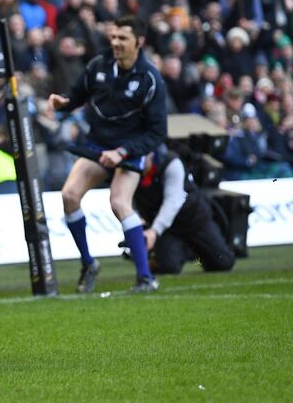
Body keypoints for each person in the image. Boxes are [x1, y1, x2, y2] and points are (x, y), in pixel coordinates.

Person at [48, 15, 168, 293]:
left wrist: (123, 152)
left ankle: (145, 278)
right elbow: (78, 95)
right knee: (69, 196)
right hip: (98, 144)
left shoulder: (151, 79)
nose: (115, 42)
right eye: (113, 37)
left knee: (119, 202)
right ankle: (89, 263)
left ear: (139, 42)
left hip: (129, 149)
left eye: (122, 38)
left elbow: (157, 133)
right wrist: (63, 102)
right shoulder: (98, 65)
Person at [133, 147, 235, 275]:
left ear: (151, 155)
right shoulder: (132, 170)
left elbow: (172, 202)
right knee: (168, 268)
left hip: (194, 219)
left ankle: (194, 253)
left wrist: (154, 231)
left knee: (223, 263)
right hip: (169, 229)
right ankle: (159, 257)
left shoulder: (171, 163)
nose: (139, 164)